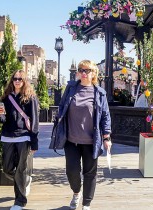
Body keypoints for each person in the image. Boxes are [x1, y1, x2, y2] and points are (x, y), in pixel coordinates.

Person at [57, 60, 112, 210]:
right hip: (71, 139)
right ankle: (76, 192)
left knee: (90, 173)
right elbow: (62, 106)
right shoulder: (71, 88)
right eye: (81, 69)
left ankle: (86, 204)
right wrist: (60, 117)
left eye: (87, 70)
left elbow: (105, 115)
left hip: (91, 141)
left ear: (93, 73)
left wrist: (106, 137)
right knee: (72, 171)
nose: (83, 72)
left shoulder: (99, 93)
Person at [0, 70, 40, 210]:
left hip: (24, 135)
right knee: (7, 169)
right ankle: (25, 180)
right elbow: (2, 119)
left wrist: (34, 141)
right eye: (15, 79)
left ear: (24, 81)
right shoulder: (6, 98)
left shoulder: (30, 98)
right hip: (7, 136)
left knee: (20, 169)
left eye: (20, 79)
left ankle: (19, 202)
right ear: (12, 80)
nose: (17, 81)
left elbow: (34, 120)